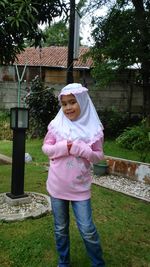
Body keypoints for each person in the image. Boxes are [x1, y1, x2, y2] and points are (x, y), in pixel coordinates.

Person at [42, 83, 105, 267]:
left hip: (80, 188)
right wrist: (64, 147)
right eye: (64, 104)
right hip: (57, 185)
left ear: (83, 102)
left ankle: (98, 263)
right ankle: (63, 262)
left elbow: (98, 155)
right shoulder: (57, 125)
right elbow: (46, 148)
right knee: (60, 228)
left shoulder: (94, 128)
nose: (68, 107)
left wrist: (81, 149)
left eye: (72, 102)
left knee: (87, 229)